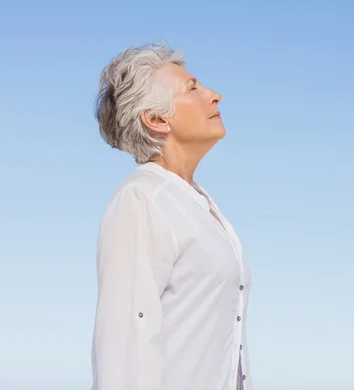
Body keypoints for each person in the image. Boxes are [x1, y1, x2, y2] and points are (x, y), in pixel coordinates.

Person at [90, 43, 252, 390]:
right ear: (157, 119)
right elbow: (124, 345)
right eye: (192, 88)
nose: (214, 95)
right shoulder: (143, 200)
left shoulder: (196, 202)